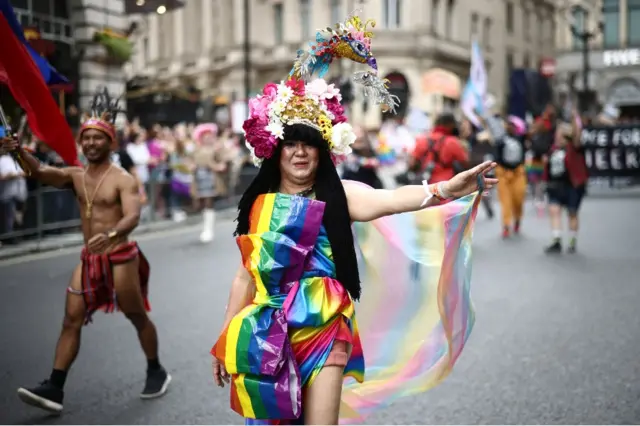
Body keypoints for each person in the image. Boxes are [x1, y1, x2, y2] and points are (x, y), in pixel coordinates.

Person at [210, 13, 497, 425]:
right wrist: (225, 338)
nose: (299, 153)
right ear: (276, 150)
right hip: (265, 331)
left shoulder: (337, 195)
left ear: (323, 151)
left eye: (309, 145)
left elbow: (391, 199)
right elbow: (244, 277)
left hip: (325, 326)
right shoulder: (258, 204)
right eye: (291, 144)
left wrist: (444, 190)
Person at [0, 89, 171, 415]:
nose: (91, 143)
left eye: (98, 138)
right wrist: (19, 152)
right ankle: (55, 386)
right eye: (86, 138)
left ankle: (155, 370)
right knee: (71, 320)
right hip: (89, 258)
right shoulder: (75, 175)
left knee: (136, 316)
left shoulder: (122, 179)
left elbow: (133, 215)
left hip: (121, 256)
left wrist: (112, 233)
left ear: (111, 143)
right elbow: (39, 172)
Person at [544, 113, 588, 253]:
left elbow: (577, 134)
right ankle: (556, 240)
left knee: (572, 212)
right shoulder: (552, 149)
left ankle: (572, 240)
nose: (558, 137)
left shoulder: (574, 147)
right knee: (553, 210)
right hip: (555, 185)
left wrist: (575, 117)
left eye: (561, 134)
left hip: (572, 185)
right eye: (557, 133)